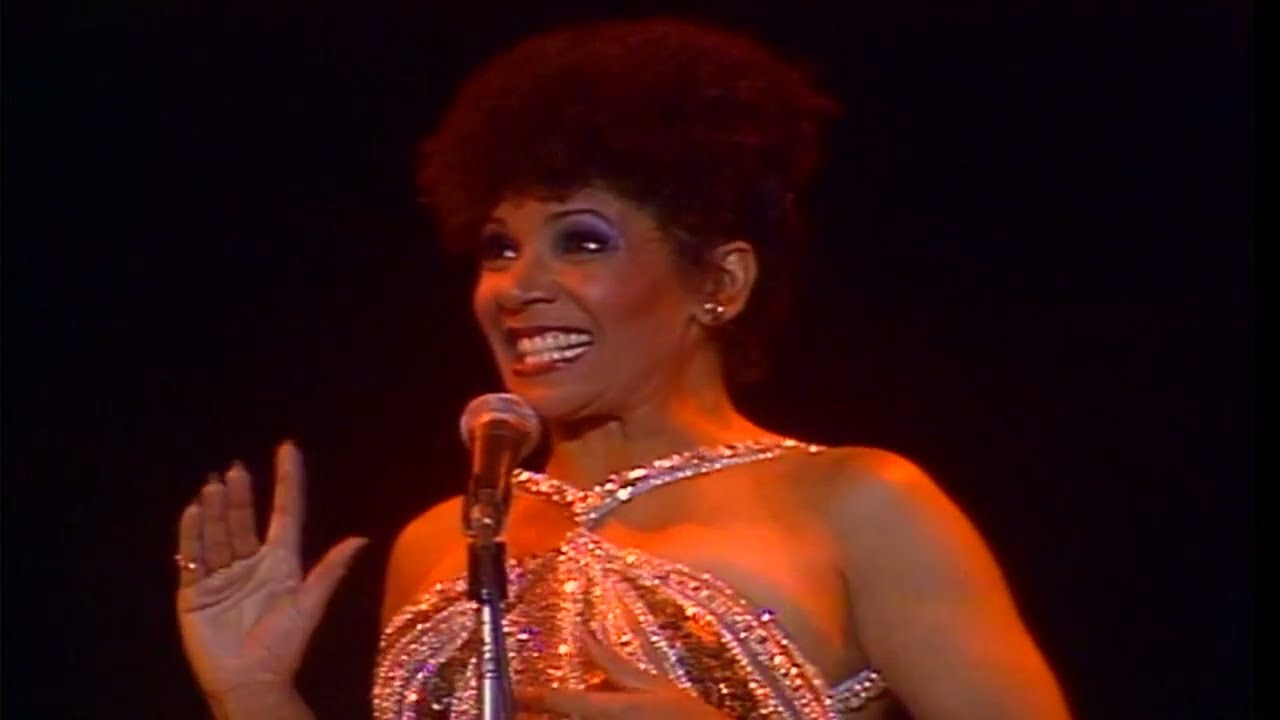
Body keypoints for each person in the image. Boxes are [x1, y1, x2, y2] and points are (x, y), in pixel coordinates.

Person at [174, 17, 1071, 719]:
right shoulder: (445, 542)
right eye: (499, 248)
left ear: (720, 281)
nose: (518, 287)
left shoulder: (857, 505)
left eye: (582, 241)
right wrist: (253, 695)